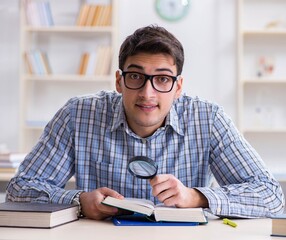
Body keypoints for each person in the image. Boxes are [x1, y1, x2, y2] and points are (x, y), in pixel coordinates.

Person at [6, 25, 284, 220]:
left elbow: (271, 196)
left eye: (162, 79)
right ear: (119, 81)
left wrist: (196, 197)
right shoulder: (77, 114)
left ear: (178, 87)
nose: (147, 93)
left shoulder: (208, 118)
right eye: (136, 76)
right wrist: (79, 201)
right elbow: (20, 191)